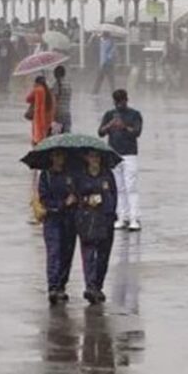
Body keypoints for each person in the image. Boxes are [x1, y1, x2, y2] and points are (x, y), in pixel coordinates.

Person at [75, 150, 118, 304]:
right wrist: (87, 200)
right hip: (87, 220)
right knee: (88, 255)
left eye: (97, 157)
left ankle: (98, 286)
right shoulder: (81, 176)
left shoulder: (108, 175)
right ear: (86, 158)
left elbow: (114, 195)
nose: (95, 160)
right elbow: (76, 197)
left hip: (105, 220)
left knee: (103, 257)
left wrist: (111, 213)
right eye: (92, 156)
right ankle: (90, 286)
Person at [99, 89, 143, 232]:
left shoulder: (135, 115)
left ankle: (134, 218)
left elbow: (137, 132)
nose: (119, 104)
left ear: (126, 100)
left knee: (131, 187)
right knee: (118, 187)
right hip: (113, 154)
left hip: (130, 155)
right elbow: (100, 132)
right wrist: (110, 125)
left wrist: (124, 127)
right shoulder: (109, 115)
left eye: (122, 101)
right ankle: (121, 217)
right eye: (117, 102)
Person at [39, 149, 78, 305]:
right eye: (55, 156)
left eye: (61, 155)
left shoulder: (71, 174)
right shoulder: (46, 176)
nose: (58, 159)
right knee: (54, 252)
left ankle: (62, 284)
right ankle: (53, 286)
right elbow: (44, 199)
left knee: (67, 253)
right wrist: (62, 204)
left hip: (69, 220)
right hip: (52, 220)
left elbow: (77, 193)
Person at [26, 75, 55, 146]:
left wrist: (34, 88)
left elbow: (28, 99)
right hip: (48, 118)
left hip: (39, 117)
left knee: (37, 139)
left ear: (37, 82)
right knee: (45, 138)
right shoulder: (49, 91)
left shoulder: (37, 90)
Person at [52, 65, 72, 134]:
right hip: (67, 114)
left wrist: (53, 116)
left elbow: (54, 101)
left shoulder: (57, 84)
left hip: (59, 115)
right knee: (66, 137)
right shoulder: (68, 84)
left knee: (56, 138)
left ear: (57, 74)